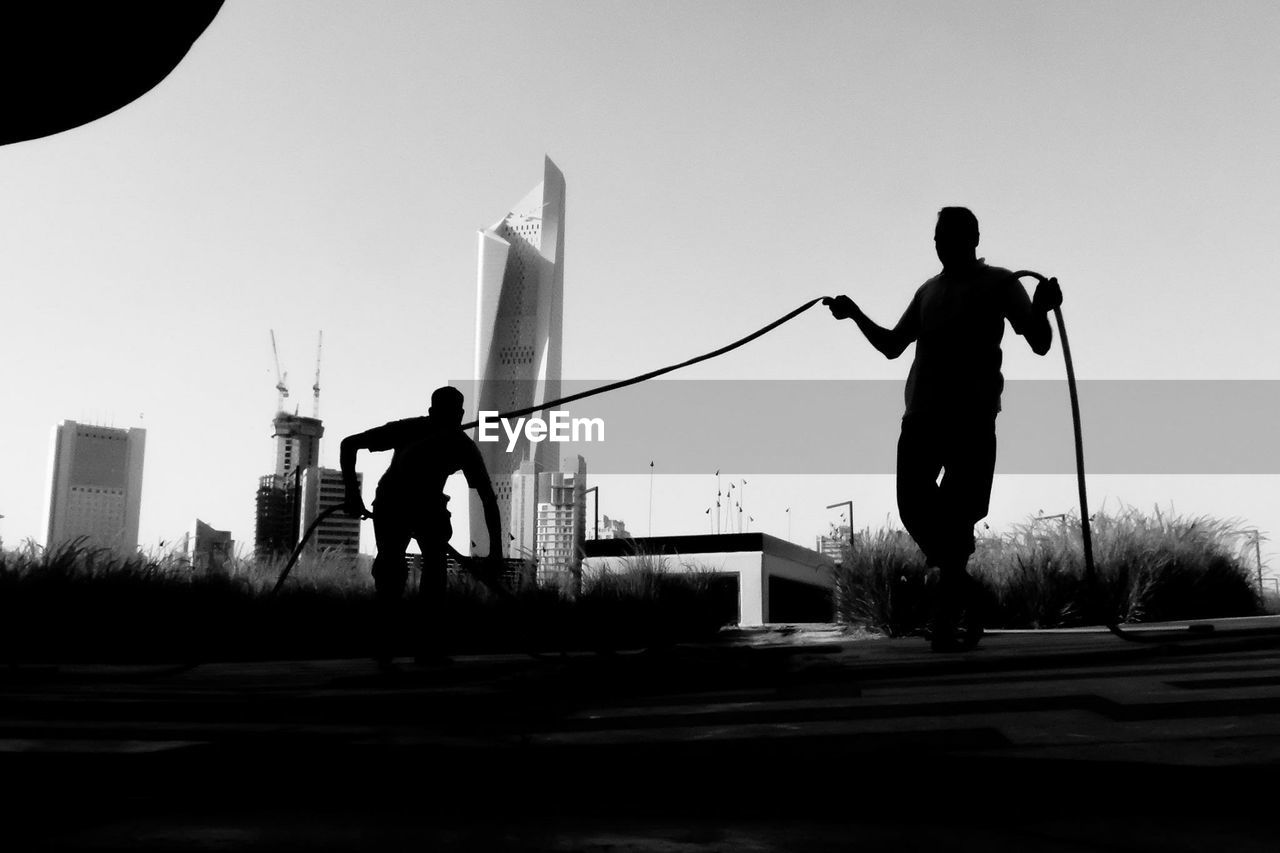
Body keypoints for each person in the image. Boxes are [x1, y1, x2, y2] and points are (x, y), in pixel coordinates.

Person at [825, 207, 1062, 651]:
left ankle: (946, 625)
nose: (940, 245)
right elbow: (894, 347)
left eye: (948, 237)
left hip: (972, 418)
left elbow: (1040, 342)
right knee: (912, 503)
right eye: (936, 237)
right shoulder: (927, 292)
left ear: (972, 238)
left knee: (956, 516)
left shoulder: (1002, 284)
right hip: (922, 416)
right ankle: (969, 598)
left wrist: (1044, 309)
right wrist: (855, 314)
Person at [340, 385, 505, 668]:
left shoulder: (462, 446)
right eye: (444, 413)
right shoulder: (409, 429)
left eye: (452, 414)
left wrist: (496, 552)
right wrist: (352, 495)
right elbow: (349, 444)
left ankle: (427, 650)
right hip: (393, 503)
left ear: (461, 415)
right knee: (391, 573)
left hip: (429, 508)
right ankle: (386, 648)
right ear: (432, 413)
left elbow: (488, 498)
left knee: (435, 573)